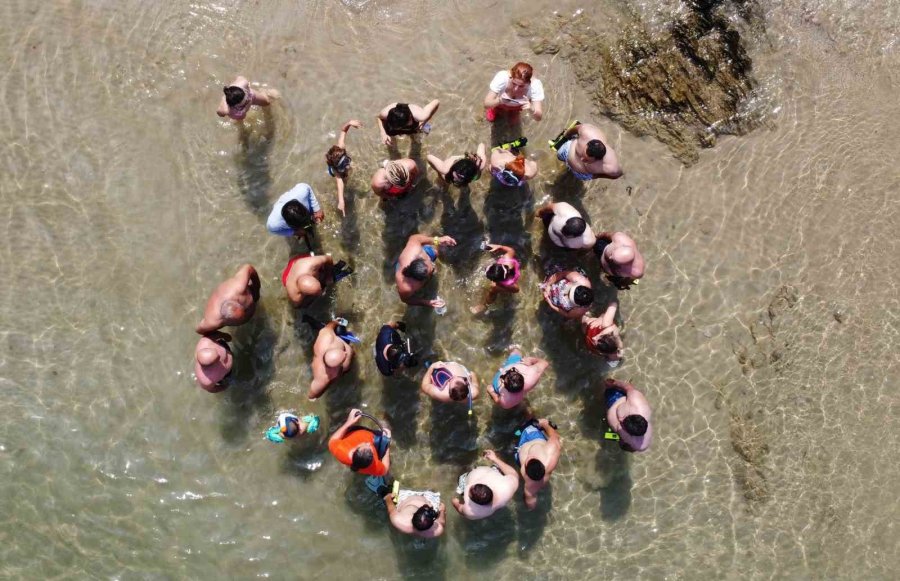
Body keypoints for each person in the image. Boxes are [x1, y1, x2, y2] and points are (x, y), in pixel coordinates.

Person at [452, 450, 519, 520]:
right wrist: (495, 458)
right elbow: (513, 474)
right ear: (489, 488)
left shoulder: (472, 511)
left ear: (472, 500)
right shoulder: (506, 488)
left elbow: (460, 509)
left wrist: (455, 502)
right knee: (496, 468)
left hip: (469, 476)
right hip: (493, 472)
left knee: (461, 479)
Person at [395, 233, 457, 307]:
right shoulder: (406, 288)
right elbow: (406, 300)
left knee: (437, 251)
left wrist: (437, 240)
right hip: (405, 269)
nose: (433, 267)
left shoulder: (415, 251)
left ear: (420, 259)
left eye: (430, 265)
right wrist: (426, 302)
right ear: (420, 281)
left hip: (424, 253)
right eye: (431, 269)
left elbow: (415, 238)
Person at [195, 264, 260, 334]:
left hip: (242, 293)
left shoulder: (238, 287)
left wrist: (257, 289)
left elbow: (248, 268)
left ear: (237, 302)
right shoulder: (213, 320)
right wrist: (221, 335)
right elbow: (199, 330)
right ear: (224, 319)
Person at [515, 418, 562, 510]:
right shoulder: (551, 455)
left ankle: (524, 428)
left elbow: (530, 501)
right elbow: (554, 437)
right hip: (536, 437)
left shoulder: (530, 486)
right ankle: (536, 425)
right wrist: (545, 425)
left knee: (521, 430)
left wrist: (530, 509)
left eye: (527, 460)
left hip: (522, 445)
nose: (529, 457)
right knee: (539, 426)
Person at [328, 409, 392, 476]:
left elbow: (332, 440)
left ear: (354, 451)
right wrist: (387, 443)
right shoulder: (374, 466)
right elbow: (385, 469)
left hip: (355, 431)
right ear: (372, 460)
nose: (368, 444)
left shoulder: (341, 450)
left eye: (365, 445)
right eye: (370, 450)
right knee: (386, 428)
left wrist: (349, 422)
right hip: (371, 436)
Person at [553, 122, 622, 180]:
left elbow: (617, 175)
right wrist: (567, 134)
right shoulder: (587, 132)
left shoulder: (611, 167)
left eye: (586, 160)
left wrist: (596, 176)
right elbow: (577, 128)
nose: (582, 159)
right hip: (567, 150)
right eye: (583, 154)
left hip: (581, 174)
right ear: (587, 143)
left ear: (599, 159)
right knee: (559, 155)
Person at [307, 318, 356, 400]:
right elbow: (311, 397)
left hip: (336, 337)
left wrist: (336, 322)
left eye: (343, 352)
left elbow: (329, 326)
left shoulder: (327, 337)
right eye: (343, 359)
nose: (346, 353)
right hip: (334, 375)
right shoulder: (322, 379)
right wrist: (327, 386)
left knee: (339, 328)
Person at [489, 345, 549, 409]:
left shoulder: (505, 400)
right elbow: (545, 363)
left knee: (491, 387)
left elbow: (497, 401)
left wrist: (491, 392)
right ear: (522, 376)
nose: (507, 371)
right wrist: (530, 359)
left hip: (508, 368)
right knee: (516, 351)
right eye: (514, 370)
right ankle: (515, 348)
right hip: (516, 364)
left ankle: (513, 347)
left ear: (504, 385)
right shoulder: (531, 374)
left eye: (503, 377)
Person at [282, 254, 352, 308]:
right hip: (291, 274)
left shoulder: (310, 263)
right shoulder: (295, 297)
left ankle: (336, 270)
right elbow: (299, 305)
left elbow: (328, 258)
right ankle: (341, 272)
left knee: (327, 277)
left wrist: (329, 273)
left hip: (300, 262)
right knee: (304, 305)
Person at [266, 183, 324, 247]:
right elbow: (273, 231)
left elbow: (306, 186)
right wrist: (293, 232)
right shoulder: (274, 223)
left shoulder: (302, 192)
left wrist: (317, 209)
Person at [325, 119, 362, 217]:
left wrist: (349, 123)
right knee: (344, 179)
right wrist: (341, 200)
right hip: (335, 169)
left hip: (336, 161)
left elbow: (343, 131)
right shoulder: (336, 171)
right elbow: (339, 183)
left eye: (347, 161)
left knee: (350, 167)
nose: (348, 165)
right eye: (344, 165)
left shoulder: (341, 147)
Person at [604, 378, 653, 453]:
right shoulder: (638, 403)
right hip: (617, 398)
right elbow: (628, 388)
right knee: (606, 387)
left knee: (625, 446)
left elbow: (619, 428)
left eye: (622, 422)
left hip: (612, 405)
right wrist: (615, 383)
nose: (620, 420)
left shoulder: (639, 444)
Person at [470, 243, 521, 314]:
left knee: (492, 290)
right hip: (514, 272)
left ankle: (484, 305)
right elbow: (511, 250)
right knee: (493, 287)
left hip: (510, 282)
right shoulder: (506, 259)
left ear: (496, 280)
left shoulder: (505, 283)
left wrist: (501, 288)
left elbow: (517, 289)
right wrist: (500, 247)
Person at [581, 301, 624, 366]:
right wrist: (600, 319)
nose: (594, 338)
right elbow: (613, 304)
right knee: (584, 319)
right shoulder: (606, 325)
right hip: (590, 326)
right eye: (617, 352)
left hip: (588, 329)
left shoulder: (601, 352)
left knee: (584, 321)